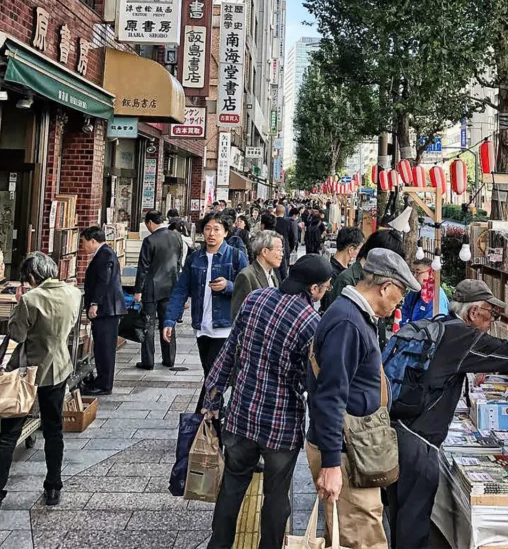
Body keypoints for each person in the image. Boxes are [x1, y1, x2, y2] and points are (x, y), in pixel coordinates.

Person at [387, 280, 508, 549]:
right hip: (419, 444)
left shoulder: (441, 325)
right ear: (473, 313)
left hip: (400, 431)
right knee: (414, 523)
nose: (491, 322)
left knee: (402, 516)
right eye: (490, 315)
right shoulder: (463, 337)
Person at [202, 255, 333, 549]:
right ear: (313, 289)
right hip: (281, 425)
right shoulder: (312, 323)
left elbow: (229, 351)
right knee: (276, 496)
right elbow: (308, 381)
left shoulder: (255, 299)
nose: (324, 292)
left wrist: (212, 396)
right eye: (324, 287)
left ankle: (219, 544)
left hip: (240, 414)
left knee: (232, 486)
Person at [306, 249, 420, 549]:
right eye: (400, 294)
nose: (398, 305)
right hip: (346, 452)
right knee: (360, 538)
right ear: (386, 287)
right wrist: (331, 464)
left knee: (354, 532)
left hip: (352, 448)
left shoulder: (354, 316)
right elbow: (330, 396)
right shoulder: (348, 322)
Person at [0, 253, 82, 521]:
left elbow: (17, 335)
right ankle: (53, 486)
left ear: (32, 277)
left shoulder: (30, 299)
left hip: (26, 374)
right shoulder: (73, 293)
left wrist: (18, 306)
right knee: (54, 429)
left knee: (8, 435)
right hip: (58, 368)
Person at [163, 213, 249, 412]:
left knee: (213, 377)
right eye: (208, 228)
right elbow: (181, 289)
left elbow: (247, 290)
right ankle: (214, 423)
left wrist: (228, 286)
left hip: (226, 328)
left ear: (226, 232)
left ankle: (200, 420)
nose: (211, 234)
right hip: (202, 327)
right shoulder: (195, 258)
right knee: (211, 376)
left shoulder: (236, 256)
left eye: (217, 229)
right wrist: (169, 320)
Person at [134, 210, 184, 370]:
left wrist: (138, 290)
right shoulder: (176, 237)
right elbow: (178, 263)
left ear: (149, 223)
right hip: (170, 286)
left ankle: (148, 360)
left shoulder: (149, 240)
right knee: (168, 322)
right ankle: (169, 358)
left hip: (151, 288)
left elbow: (143, 268)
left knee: (148, 324)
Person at [81, 226, 127, 396]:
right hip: (107, 308)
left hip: (107, 309)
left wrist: (95, 303)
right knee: (101, 347)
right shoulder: (104, 253)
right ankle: (101, 379)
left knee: (105, 348)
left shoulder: (105, 254)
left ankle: (104, 384)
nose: (84, 247)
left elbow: (103, 281)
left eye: (85, 243)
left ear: (93, 241)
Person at [229, 230, 283, 317]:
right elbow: (238, 314)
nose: (282, 254)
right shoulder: (246, 276)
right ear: (264, 252)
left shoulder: (272, 274)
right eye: (279, 250)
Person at [320, 227, 365, 313]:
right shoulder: (333, 274)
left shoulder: (348, 268)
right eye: (360, 249)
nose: (361, 252)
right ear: (351, 250)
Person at [399, 257, 450, 326]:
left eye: (418, 272)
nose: (414, 276)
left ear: (431, 273)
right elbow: (405, 311)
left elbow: (435, 325)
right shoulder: (415, 292)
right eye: (413, 272)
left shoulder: (437, 297)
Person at [274, 205, 296, 280]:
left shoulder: (273, 222)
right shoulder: (288, 222)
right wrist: (291, 247)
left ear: (275, 212)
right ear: (284, 212)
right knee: (284, 268)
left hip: (273, 248)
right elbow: (292, 237)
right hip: (285, 248)